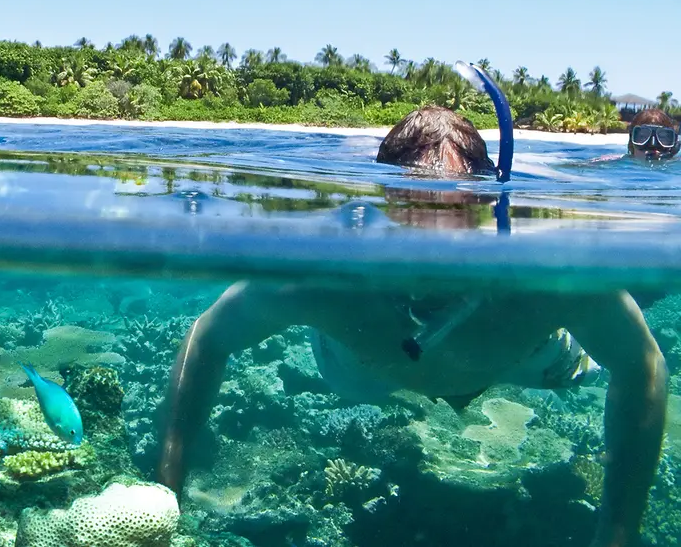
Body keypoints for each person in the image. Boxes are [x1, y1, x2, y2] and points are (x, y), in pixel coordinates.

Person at [156, 63, 668, 547]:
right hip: (362, 372)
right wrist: (168, 488)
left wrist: (615, 535)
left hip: (525, 359)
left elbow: (641, 365)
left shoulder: (546, 278)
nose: (433, 246)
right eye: (412, 209)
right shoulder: (324, 281)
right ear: (381, 202)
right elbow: (209, 337)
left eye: (456, 212)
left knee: (590, 358)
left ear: (488, 201)